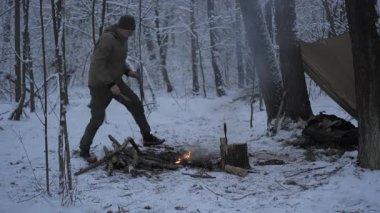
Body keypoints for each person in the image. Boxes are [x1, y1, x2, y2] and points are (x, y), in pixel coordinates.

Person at [79, 15, 165, 159]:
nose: (131, 35)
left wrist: (128, 72)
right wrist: (110, 84)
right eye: (129, 32)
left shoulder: (122, 40)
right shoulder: (107, 39)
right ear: (121, 28)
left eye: (132, 32)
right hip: (100, 85)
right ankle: (84, 149)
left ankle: (147, 137)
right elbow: (97, 64)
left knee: (136, 104)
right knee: (97, 118)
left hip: (116, 81)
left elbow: (117, 61)